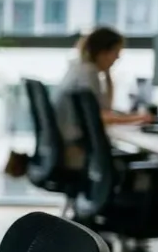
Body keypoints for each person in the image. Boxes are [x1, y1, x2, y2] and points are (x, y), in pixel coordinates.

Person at [52, 26, 152, 169]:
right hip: (75, 149)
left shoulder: (81, 68)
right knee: (146, 164)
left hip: (68, 145)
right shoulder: (88, 74)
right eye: (116, 52)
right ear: (103, 52)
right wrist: (139, 118)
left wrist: (108, 75)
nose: (118, 58)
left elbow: (104, 109)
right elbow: (101, 116)